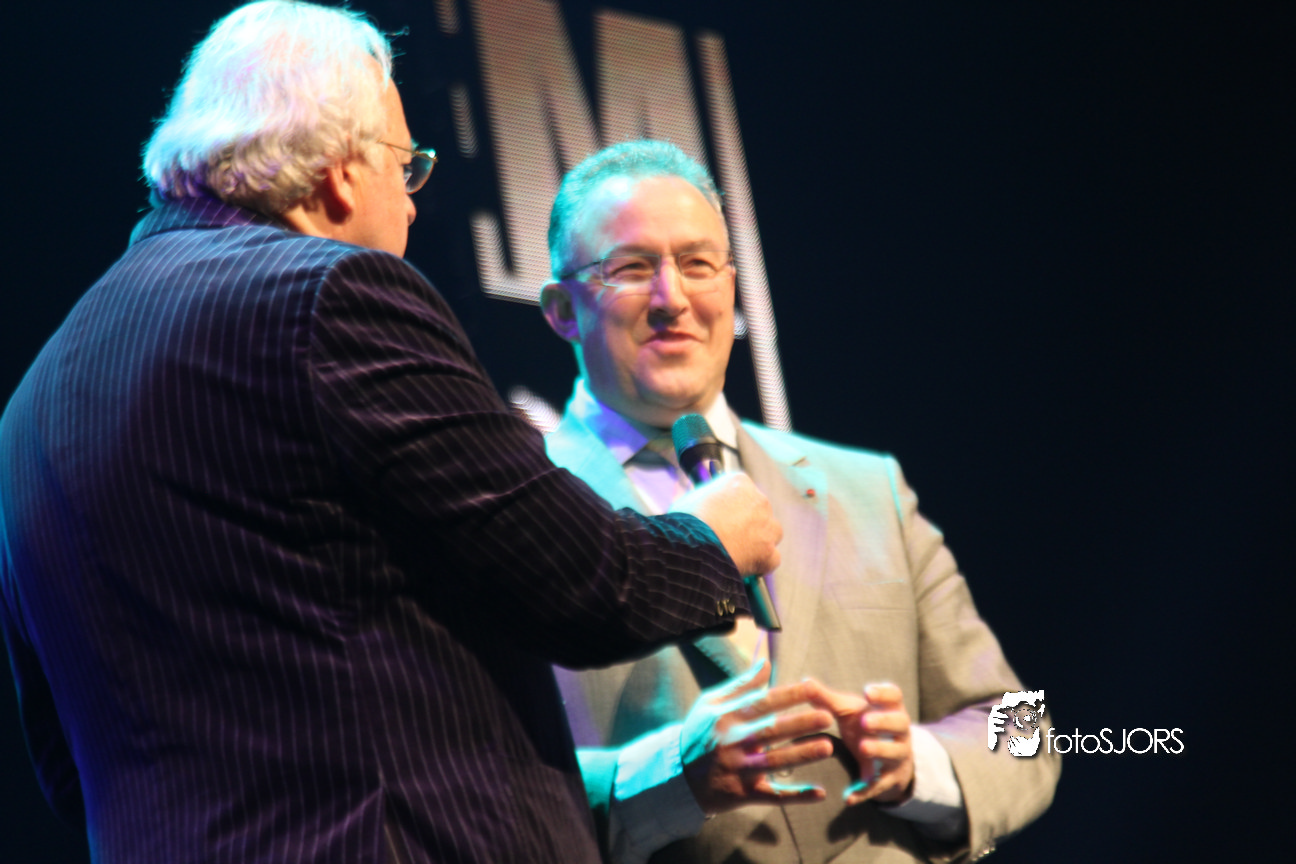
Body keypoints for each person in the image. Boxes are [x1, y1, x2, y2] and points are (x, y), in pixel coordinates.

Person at [0, 7, 788, 863]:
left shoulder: (31, 409)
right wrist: (713, 540)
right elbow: (591, 584)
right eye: (405, 168)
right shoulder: (332, 295)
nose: (411, 208)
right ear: (342, 176)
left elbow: (63, 769)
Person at [538, 141, 1061, 863]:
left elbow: (1025, 731)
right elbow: (475, 787)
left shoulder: (869, 490)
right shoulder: (514, 512)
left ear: (732, 285)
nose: (672, 299)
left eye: (698, 264)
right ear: (562, 310)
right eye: (631, 269)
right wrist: (674, 779)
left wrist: (918, 762)